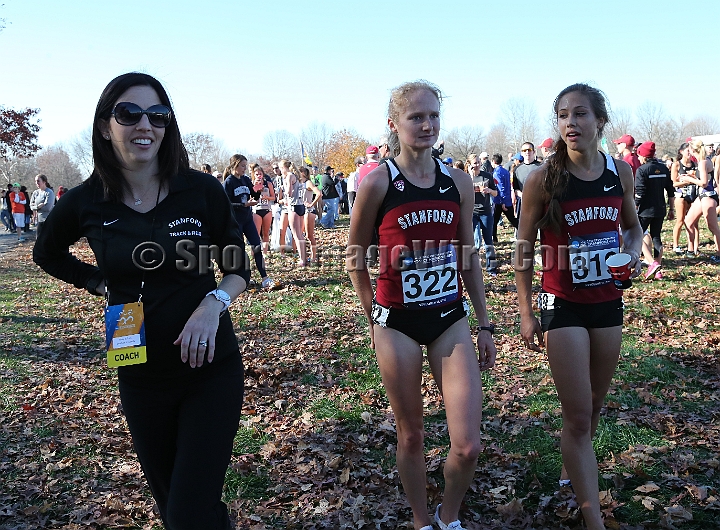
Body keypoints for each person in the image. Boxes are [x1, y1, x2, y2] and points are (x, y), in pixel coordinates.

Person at [33, 72, 251, 530]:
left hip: (209, 369)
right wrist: (98, 285)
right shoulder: (85, 201)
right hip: (137, 367)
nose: (144, 125)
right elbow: (46, 253)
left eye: (157, 115)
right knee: (178, 507)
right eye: (128, 113)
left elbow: (237, 269)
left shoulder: (201, 191)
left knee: (189, 512)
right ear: (104, 126)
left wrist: (212, 305)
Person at [347, 80, 496, 530]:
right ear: (394, 124)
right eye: (416, 117)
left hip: (450, 319)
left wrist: (485, 324)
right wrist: (371, 312)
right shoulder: (377, 181)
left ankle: (447, 516)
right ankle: (419, 521)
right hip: (397, 323)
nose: (427, 124)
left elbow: (468, 256)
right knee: (411, 435)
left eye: (433, 115)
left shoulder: (459, 181)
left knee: (468, 445)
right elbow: (355, 257)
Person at [515, 83, 643, 530]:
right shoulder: (543, 180)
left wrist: (631, 254)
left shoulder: (619, 172)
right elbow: (524, 246)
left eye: (581, 114)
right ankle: (594, 521)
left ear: (600, 122)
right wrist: (527, 310)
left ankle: (574, 460)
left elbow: (631, 227)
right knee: (579, 415)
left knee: (594, 401)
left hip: (607, 300)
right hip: (562, 302)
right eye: (563, 115)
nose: (571, 122)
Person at [223, 154, 277, 289]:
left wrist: (258, 189)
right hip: (236, 221)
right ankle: (243, 279)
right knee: (239, 250)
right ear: (234, 165)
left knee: (257, 246)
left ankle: (264, 277)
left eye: (245, 166)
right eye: (242, 166)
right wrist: (243, 205)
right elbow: (226, 204)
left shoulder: (245, 179)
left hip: (248, 219)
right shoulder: (229, 182)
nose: (244, 169)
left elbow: (254, 195)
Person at [634, 142, 674, 279]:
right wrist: (672, 209)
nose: (638, 158)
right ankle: (658, 270)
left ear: (643, 156)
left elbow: (640, 192)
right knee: (656, 236)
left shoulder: (642, 170)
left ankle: (652, 263)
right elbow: (670, 190)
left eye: (639, 155)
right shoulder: (663, 169)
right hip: (660, 209)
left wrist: (635, 206)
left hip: (645, 210)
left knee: (637, 235)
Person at [684, 140, 720, 263]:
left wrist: (689, 179)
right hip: (702, 196)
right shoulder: (703, 161)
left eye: (689, 150)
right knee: (688, 221)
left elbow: (704, 183)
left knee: (713, 227)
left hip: (708, 196)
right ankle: (690, 250)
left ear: (694, 150)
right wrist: (693, 177)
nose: (689, 152)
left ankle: (719, 253)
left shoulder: (703, 162)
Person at [467, 153, 498, 276]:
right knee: (473, 240)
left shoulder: (487, 176)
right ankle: (473, 267)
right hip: (472, 212)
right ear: (469, 164)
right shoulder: (466, 177)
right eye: (475, 163)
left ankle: (491, 269)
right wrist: (470, 175)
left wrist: (489, 190)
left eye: (479, 162)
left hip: (485, 212)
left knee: (488, 240)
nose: (478, 165)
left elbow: (496, 193)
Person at [670, 143, 698, 255]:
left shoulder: (694, 164)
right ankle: (675, 245)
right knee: (680, 220)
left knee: (694, 222)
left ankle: (695, 246)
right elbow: (674, 183)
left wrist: (692, 178)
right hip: (681, 195)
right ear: (681, 151)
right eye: (687, 150)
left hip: (693, 194)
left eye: (691, 150)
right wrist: (687, 180)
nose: (689, 152)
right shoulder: (676, 165)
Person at [280, 159, 307, 266]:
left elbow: (289, 193)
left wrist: (284, 187)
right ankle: (304, 258)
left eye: (280, 168)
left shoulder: (289, 176)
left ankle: (302, 260)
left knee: (296, 235)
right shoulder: (296, 175)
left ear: (283, 168)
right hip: (300, 205)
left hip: (294, 206)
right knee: (300, 234)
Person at [490, 153, 518, 242]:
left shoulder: (496, 173)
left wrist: (502, 202)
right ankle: (523, 231)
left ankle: (493, 237)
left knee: (494, 220)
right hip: (507, 199)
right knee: (512, 219)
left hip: (499, 200)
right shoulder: (505, 171)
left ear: (493, 161)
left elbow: (500, 187)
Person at [512, 142, 542, 225]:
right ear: (521, 153)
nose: (527, 152)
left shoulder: (541, 167)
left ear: (534, 152)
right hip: (524, 204)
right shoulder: (517, 169)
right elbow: (516, 189)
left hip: (540, 203)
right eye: (524, 150)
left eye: (529, 150)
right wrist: (524, 196)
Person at [250, 162, 275, 252]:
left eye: (260, 174)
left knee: (266, 233)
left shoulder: (268, 184)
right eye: (257, 174)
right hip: (257, 210)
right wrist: (256, 188)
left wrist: (267, 197)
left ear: (263, 174)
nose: (259, 176)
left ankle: (265, 252)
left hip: (267, 209)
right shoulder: (251, 183)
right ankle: (254, 252)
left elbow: (273, 197)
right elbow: (250, 197)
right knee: (256, 233)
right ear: (254, 175)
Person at [298, 166, 321, 263]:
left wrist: (312, 204)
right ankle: (303, 255)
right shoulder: (298, 184)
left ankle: (313, 256)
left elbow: (319, 193)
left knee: (309, 235)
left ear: (303, 173)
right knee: (300, 235)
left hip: (309, 211)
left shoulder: (308, 183)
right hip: (300, 211)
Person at [30, 174, 56, 238]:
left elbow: (48, 208)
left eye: (38, 181)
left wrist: (36, 207)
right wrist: (38, 207)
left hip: (48, 220)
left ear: (44, 182)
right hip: (39, 220)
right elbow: (31, 206)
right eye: (35, 181)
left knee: (48, 240)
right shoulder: (35, 193)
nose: (36, 183)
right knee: (38, 239)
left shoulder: (49, 192)